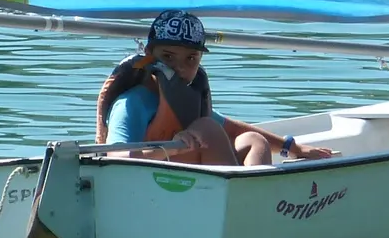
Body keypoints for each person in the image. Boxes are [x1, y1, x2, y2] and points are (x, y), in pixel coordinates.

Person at [97, 10, 331, 166]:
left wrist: (294, 147)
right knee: (206, 128)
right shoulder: (131, 104)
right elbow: (117, 156)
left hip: (198, 186)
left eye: (190, 59)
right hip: (155, 188)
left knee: (253, 139)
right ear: (149, 55)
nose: (179, 67)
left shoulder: (187, 102)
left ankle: (252, 200)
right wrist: (173, 149)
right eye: (168, 56)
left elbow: (232, 128)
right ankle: (243, 207)